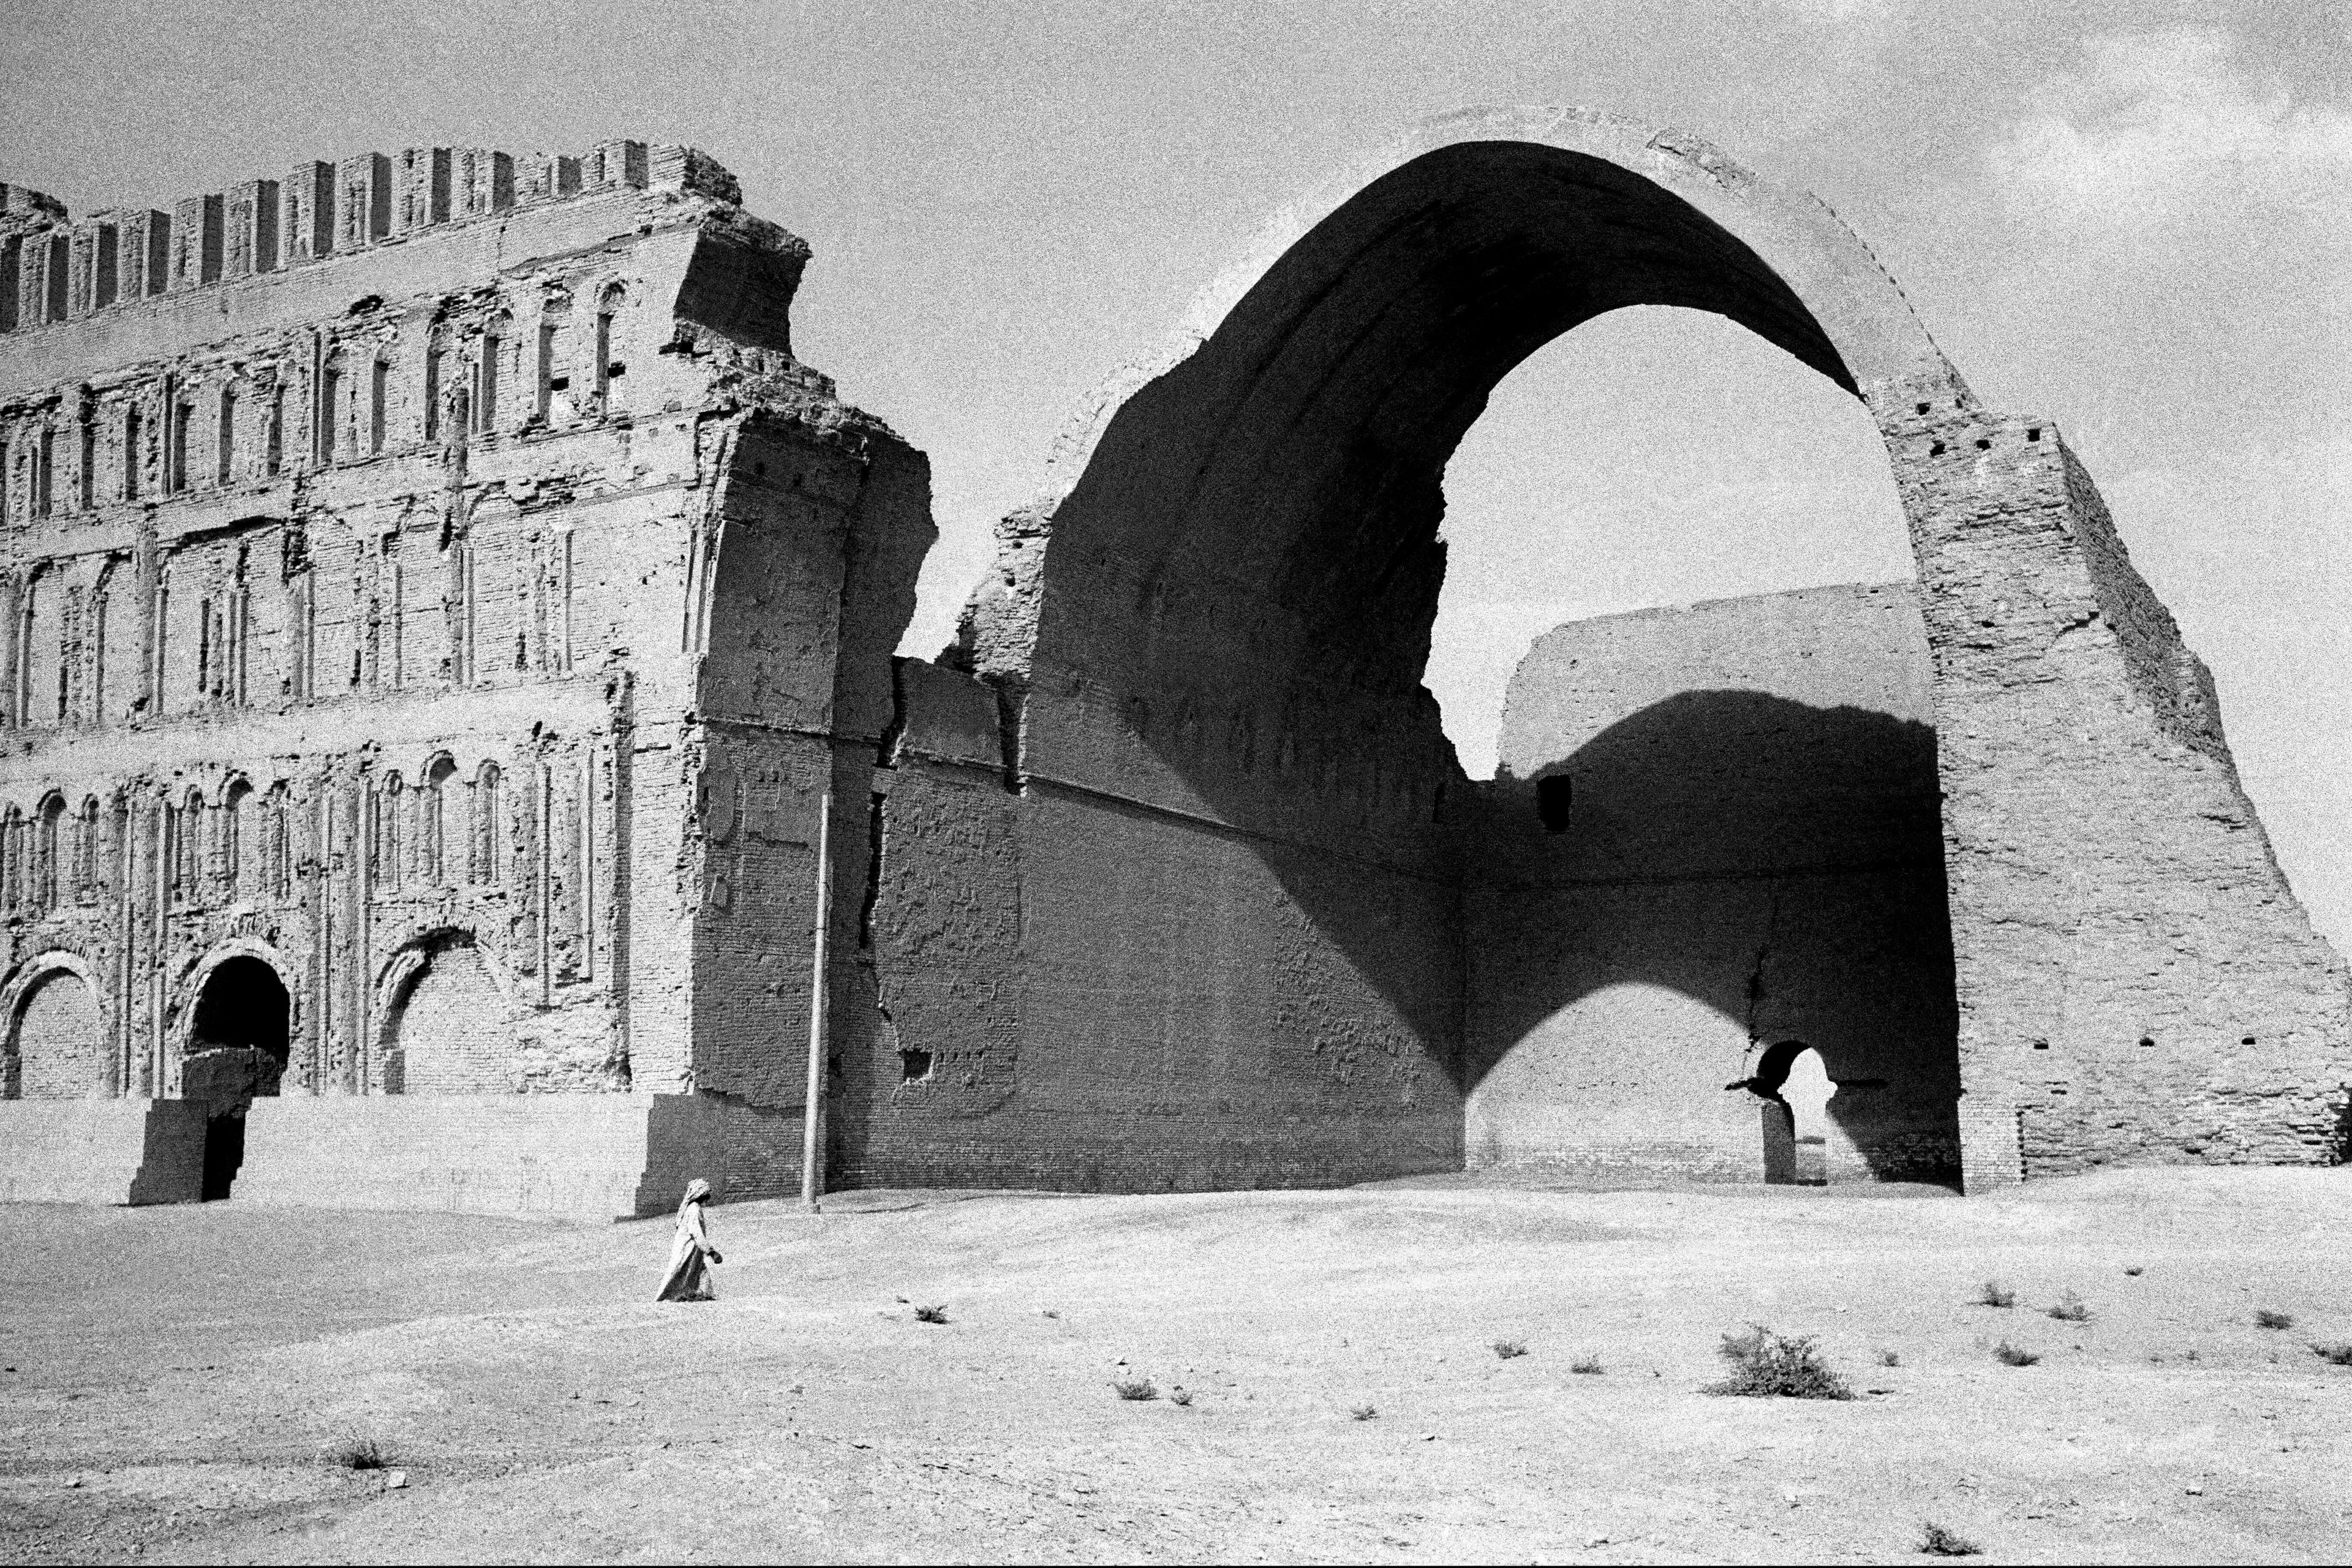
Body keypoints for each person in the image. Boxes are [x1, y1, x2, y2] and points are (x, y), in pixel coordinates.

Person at [655, 1178, 723, 1302]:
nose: (709, 1196)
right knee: (678, 1272)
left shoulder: (694, 1208)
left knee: (699, 1270)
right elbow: (697, 1234)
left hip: (694, 1249)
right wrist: (711, 1252)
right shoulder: (694, 1210)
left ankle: (705, 1295)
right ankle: (663, 1298)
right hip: (687, 1249)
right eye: (706, 1194)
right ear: (700, 1194)